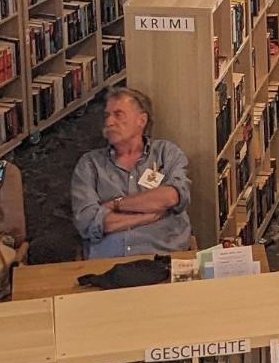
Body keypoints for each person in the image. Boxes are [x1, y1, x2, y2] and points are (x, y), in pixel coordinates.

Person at [71, 88, 193, 258]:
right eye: (107, 116)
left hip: (163, 256)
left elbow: (172, 197)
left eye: (118, 115)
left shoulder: (166, 153)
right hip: (109, 263)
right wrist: (145, 217)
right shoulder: (90, 164)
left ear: (141, 120)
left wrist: (115, 205)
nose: (109, 122)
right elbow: (88, 221)